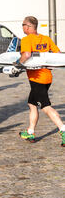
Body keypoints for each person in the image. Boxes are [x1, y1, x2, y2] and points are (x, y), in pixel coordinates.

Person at [17, 16, 65, 147]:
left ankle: (63, 129)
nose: (22, 27)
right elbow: (58, 54)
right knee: (32, 104)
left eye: (23, 25)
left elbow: (26, 55)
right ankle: (30, 132)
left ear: (28, 26)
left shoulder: (27, 39)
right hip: (46, 77)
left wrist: (17, 65)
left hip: (37, 78)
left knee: (45, 106)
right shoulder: (46, 39)